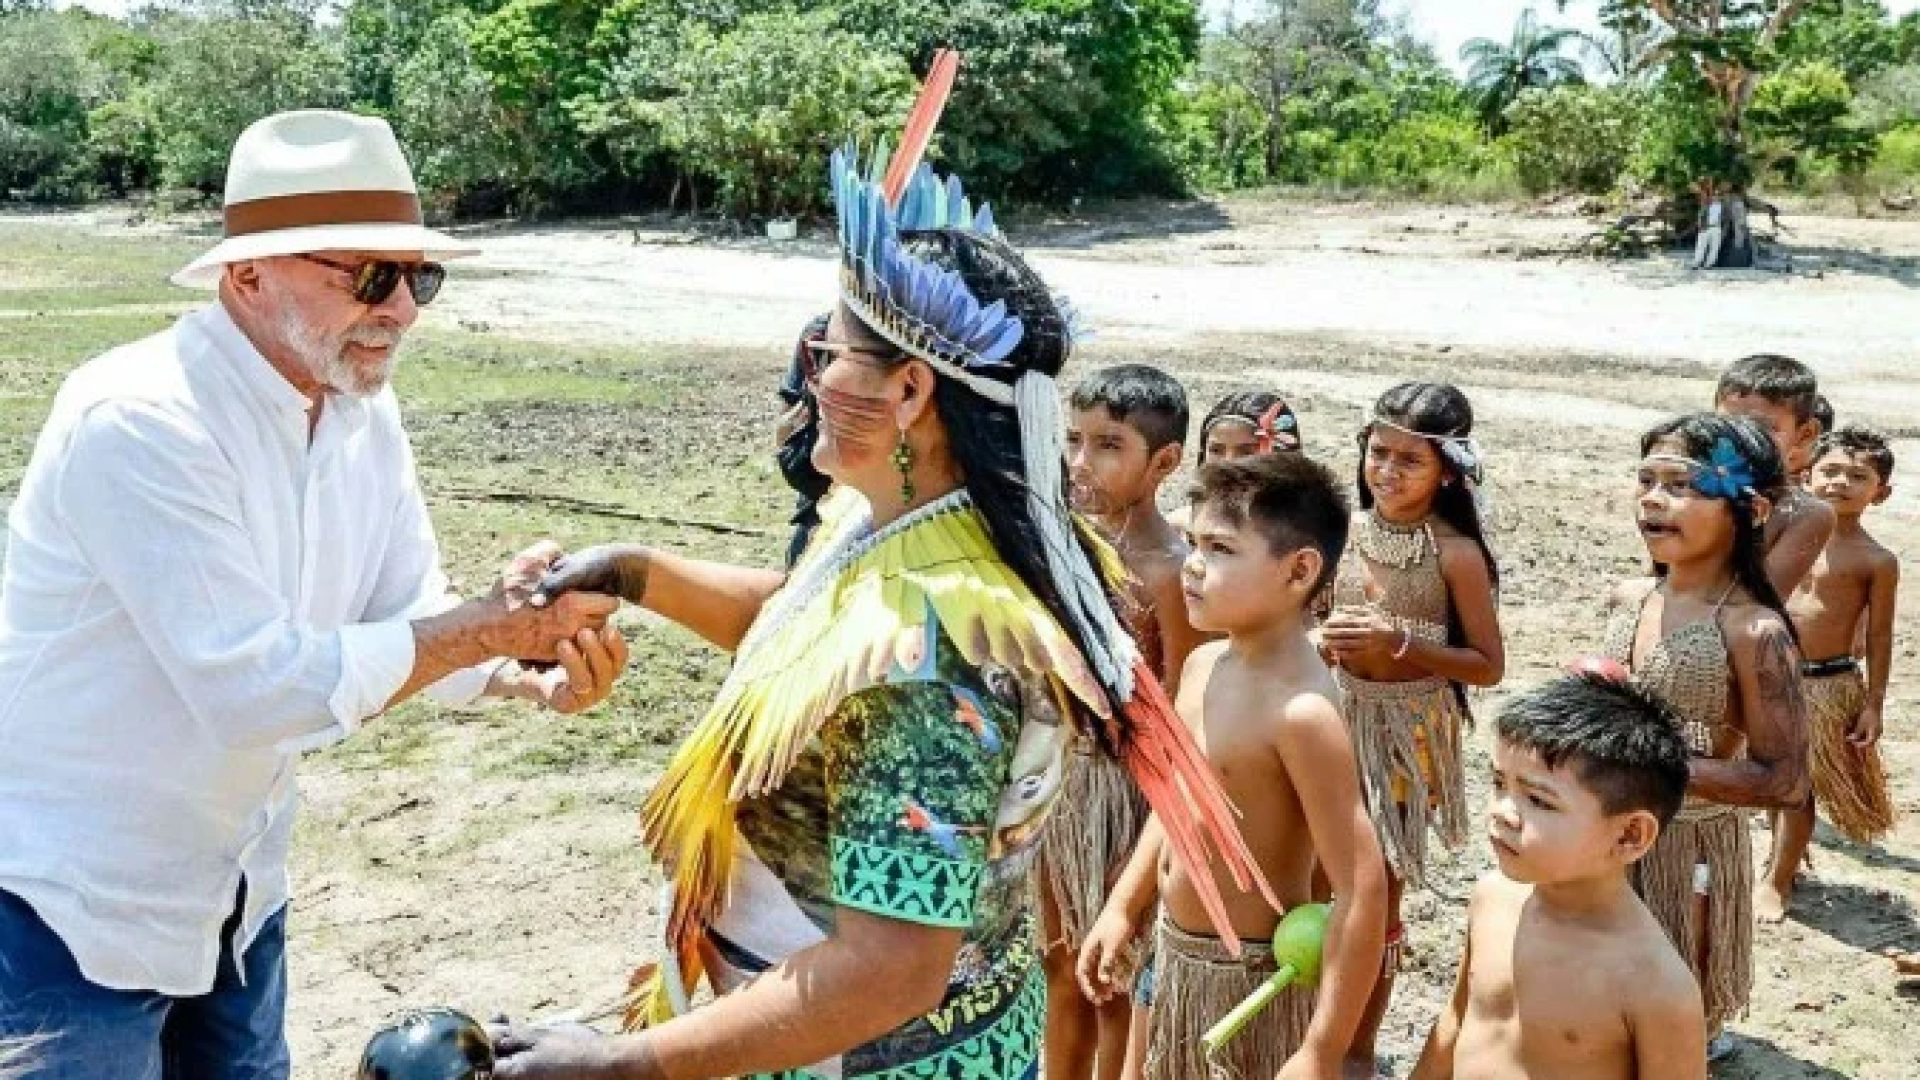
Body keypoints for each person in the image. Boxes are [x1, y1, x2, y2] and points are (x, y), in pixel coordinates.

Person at [487, 138, 1271, 1080]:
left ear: (909, 391)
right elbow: (805, 629)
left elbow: (892, 969)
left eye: (834, 353)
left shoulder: (932, 658)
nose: (812, 375)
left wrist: (621, 1064)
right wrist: (637, 572)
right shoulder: (911, 531)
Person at [0, 110, 628, 1080]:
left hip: (237, 896)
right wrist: (479, 632)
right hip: (63, 909)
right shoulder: (142, 421)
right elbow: (253, 692)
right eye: (371, 277)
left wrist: (521, 667)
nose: (405, 311)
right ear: (246, 277)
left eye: (419, 277)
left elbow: (401, 618)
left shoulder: (357, 415)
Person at [1078, 453, 1388, 1080]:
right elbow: (1178, 804)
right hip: (1170, 957)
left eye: (1220, 548)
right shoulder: (1201, 667)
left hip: (1248, 987)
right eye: (1193, 542)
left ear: (1300, 570)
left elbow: (1363, 888)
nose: (1192, 564)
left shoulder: (1303, 713)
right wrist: (1122, 906)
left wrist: (1323, 1051)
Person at [1605, 413, 1810, 1056]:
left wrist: (1654, 762)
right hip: (1606, 836)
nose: (1653, 498)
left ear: (1747, 510)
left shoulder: (1754, 632)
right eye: (1646, 479)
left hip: (1689, 848)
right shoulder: (1627, 596)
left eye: (1682, 485)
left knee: (1673, 1006)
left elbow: (1785, 779)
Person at [1319, 382, 1505, 1073]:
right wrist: (1320, 641)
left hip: (1409, 738)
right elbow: (1306, 611)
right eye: (1379, 453)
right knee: (1320, 880)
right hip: (1336, 718)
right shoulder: (1342, 529)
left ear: (1448, 471)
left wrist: (1404, 643)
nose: (1388, 473)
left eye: (1409, 461)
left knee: (1376, 894)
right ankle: (1314, 1028)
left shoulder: (1452, 553)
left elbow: (1487, 665)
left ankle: (1359, 1049)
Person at [1411, 671, 1706, 1080]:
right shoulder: (1491, 901)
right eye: (1499, 784)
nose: (1501, 811)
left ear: (1629, 835)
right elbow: (1455, 1022)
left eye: (1537, 800)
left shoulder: (1654, 985)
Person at [1046, 365, 1205, 1080]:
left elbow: (1183, 711)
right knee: (1055, 964)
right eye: (1074, 440)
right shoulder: (1064, 543)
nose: (1082, 461)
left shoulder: (1171, 569)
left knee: (1110, 976)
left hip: (1131, 796)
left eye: (1109, 445)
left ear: (1164, 462)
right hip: (1058, 786)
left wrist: (1145, 834)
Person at [1762, 427, 1900, 921]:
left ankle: (1777, 881)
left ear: (1880, 493)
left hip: (1826, 685)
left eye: (1858, 476)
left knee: (1797, 785)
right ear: (1807, 475)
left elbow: (1880, 636)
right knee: (1763, 778)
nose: (1841, 481)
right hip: (1763, 671)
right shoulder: (1776, 534)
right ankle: (1781, 861)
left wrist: (1874, 703)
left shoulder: (1875, 560)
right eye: (1832, 470)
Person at [1713, 354, 1836, 596]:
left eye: (1761, 427)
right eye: (1727, 424)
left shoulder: (1805, 514)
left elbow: (1762, 599)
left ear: (1805, 434)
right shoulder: (1693, 487)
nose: (1740, 438)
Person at [1166, 390, 1302, 535]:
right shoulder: (1178, 529)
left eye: (1246, 451)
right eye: (1216, 450)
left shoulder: (1302, 532)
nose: (1228, 462)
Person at [775, 313, 835, 567]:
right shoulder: (817, 336)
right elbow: (783, 435)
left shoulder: (820, 333)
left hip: (819, 509)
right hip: (818, 509)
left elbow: (782, 435)